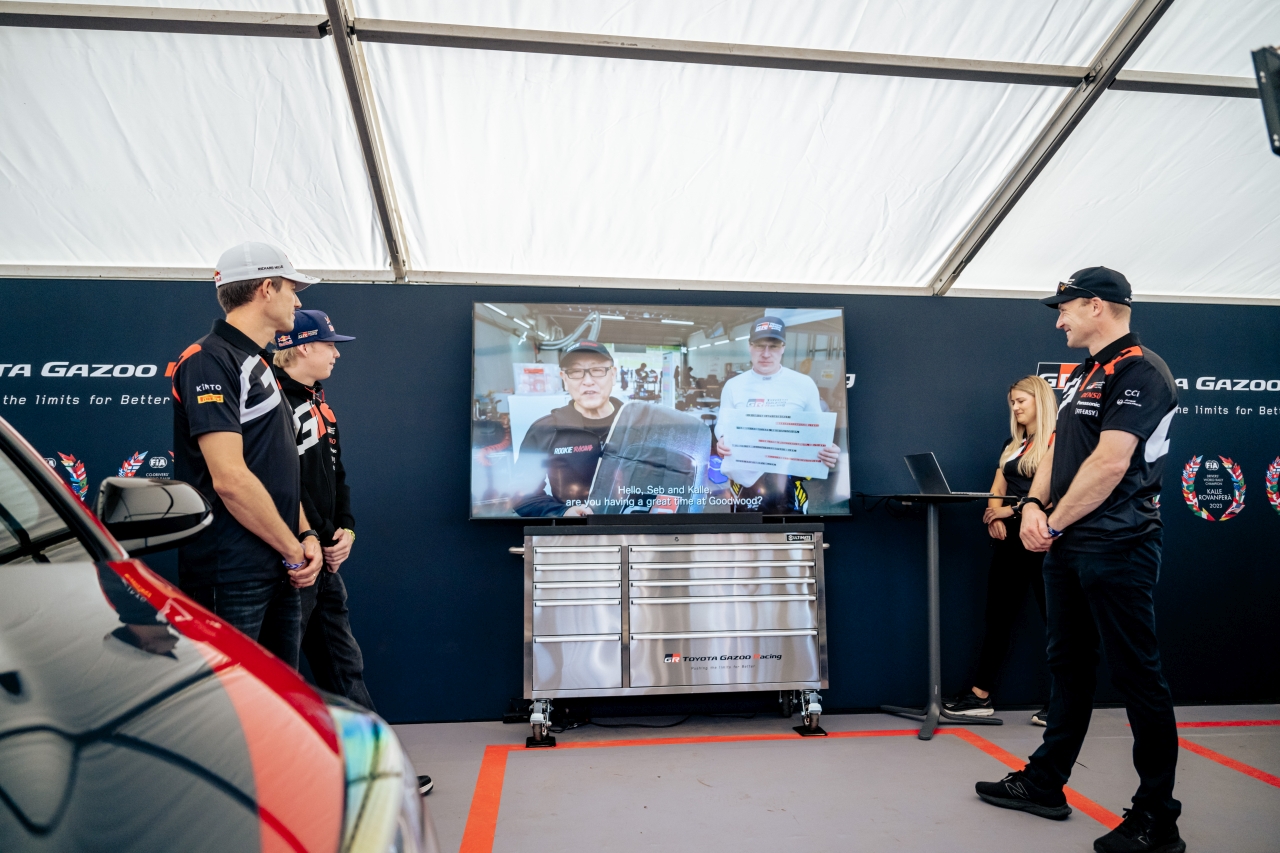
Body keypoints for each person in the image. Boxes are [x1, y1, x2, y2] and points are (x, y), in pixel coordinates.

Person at [975, 268, 1183, 853]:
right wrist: (1033, 505)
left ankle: (1157, 819)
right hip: (1068, 543)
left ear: (1097, 306)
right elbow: (1057, 452)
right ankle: (1045, 782)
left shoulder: (1141, 370)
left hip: (1118, 543)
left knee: (1139, 676)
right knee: (1066, 665)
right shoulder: (1084, 372)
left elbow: (1111, 463)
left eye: (1064, 308)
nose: (1058, 320)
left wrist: (1052, 520)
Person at [171, 242, 324, 668]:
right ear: (265, 288)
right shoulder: (209, 360)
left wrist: (306, 534)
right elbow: (231, 480)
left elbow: (275, 471)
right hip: (232, 572)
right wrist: (293, 549)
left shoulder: (259, 364)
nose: (297, 301)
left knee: (278, 700)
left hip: (279, 567)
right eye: (291, 289)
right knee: (229, 703)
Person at [945, 376, 1056, 724]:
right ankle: (980, 695)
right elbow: (999, 485)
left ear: (1040, 401)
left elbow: (1059, 492)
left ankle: (1063, 702)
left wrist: (1010, 511)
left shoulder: (1058, 440)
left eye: (1022, 401)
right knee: (998, 618)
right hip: (1009, 542)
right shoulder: (1014, 444)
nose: (1016, 407)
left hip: (1044, 539)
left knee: (1057, 622)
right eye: (1013, 402)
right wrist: (994, 515)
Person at [714, 316, 839, 513]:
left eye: (773, 346)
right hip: (745, 479)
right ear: (750, 346)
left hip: (787, 480)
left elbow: (816, 430)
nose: (766, 353)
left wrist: (827, 449)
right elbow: (722, 423)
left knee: (791, 529)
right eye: (759, 346)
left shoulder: (803, 384)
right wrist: (722, 439)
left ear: (783, 348)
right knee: (746, 530)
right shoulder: (733, 386)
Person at [512, 341, 622, 517]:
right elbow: (522, 495)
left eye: (597, 370)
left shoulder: (640, 425)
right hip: (574, 532)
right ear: (564, 379)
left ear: (613, 374)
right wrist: (562, 513)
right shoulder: (545, 430)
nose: (588, 381)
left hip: (634, 531)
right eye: (576, 372)